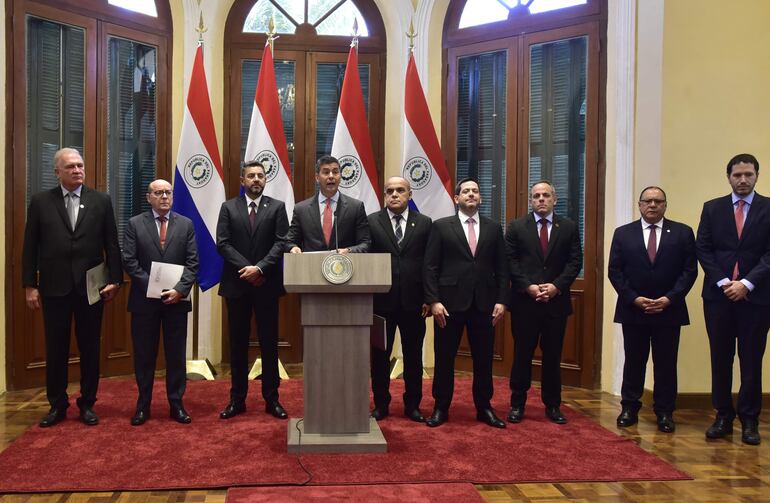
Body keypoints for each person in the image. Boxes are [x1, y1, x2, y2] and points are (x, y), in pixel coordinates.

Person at [22, 147, 122, 427]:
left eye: (80, 165)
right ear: (57, 172)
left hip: (91, 289)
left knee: (90, 347)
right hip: (54, 288)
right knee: (56, 348)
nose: (78, 170)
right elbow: (30, 247)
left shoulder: (100, 201)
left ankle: (87, 403)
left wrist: (115, 280)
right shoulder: (41, 202)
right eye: (71, 167)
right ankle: (57, 404)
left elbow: (111, 243)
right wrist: (30, 285)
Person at [608, 186, 697, 433]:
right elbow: (615, 271)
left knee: (666, 363)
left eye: (658, 201)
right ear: (639, 205)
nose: (653, 205)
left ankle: (665, 412)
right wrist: (634, 298)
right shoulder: (623, 234)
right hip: (634, 309)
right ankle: (629, 408)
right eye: (648, 201)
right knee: (634, 361)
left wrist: (669, 299)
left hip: (669, 310)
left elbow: (689, 271)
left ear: (665, 205)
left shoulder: (682, 233)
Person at [696, 153, 770, 445]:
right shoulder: (712, 209)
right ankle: (723, 416)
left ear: (756, 176)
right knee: (720, 357)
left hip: (757, 297)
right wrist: (726, 282)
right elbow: (703, 248)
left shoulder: (768, 208)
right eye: (737, 175)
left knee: (752, 359)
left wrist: (747, 283)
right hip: (719, 297)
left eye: (748, 174)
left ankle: (749, 421)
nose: (742, 180)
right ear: (728, 177)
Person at [423, 178, 508, 428]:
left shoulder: (494, 228)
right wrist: (433, 300)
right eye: (466, 191)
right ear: (456, 199)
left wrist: (502, 301)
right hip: (448, 306)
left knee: (483, 359)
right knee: (444, 357)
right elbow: (429, 267)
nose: (471, 194)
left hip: (484, 305)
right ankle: (441, 407)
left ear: (480, 198)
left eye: (475, 191)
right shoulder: (440, 227)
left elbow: (503, 269)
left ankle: (484, 407)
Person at [216, 160, 290, 420]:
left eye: (260, 175)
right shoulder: (228, 207)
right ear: (242, 180)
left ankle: (272, 399)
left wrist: (259, 269)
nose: (256, 179)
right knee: (237, 345)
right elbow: (223, 244)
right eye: (251, 176)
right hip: (237, 285)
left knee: (269, 344)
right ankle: (237, 400)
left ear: (265, 179)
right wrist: (248, 269)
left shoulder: (277, 208)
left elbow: (282, 242)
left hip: (266, 285)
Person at [122, 179, 199, 426]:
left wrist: (179, 290)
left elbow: (193, 262)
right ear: (149, 197)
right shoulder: (135, 224)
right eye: (158, 193)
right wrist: (153, 287)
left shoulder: (185, 225)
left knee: (176, 356)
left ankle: (176, 404)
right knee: (145, 356)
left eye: (168, 192)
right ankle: (143, 405)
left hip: (176, 302)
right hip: (145, 303)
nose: (164, 196)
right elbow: (129, 261)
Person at [505, 180, 582, 425]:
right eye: (536, 196)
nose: (541, 199)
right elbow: (511, 262)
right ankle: (517, 404)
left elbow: (575, 261)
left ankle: (553, 405)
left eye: (545, 195)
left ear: (554, 199)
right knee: (522, 356)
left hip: (555, 304)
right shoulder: (517, 227)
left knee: (552, 357)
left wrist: (556, 286)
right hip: (524, 304)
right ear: (531, 200)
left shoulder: (568, 227)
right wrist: (528, 286)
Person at [367, 177, 431, 423]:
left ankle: (412, 405)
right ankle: (381, 404)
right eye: (390, 191)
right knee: (380, 357)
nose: (394, 195)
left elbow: (429, 263)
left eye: (400, 190)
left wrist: (429, 297)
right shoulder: (372, 221)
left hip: (415, 303)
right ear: (385, 195)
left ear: (410, 194)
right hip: (380, 302)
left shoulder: (424, 223)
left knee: (413, 356)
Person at [285, 155, 370, 254]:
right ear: (317, 177)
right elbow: (290, 241)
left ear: (340, 176)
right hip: (311, 266)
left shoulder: (355, 207)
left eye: (335, 172)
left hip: (344, 266)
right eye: (326, 172)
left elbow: (365, 243)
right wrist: (293, 248)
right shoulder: (301, 209)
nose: (331, 176)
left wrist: (349, 251)